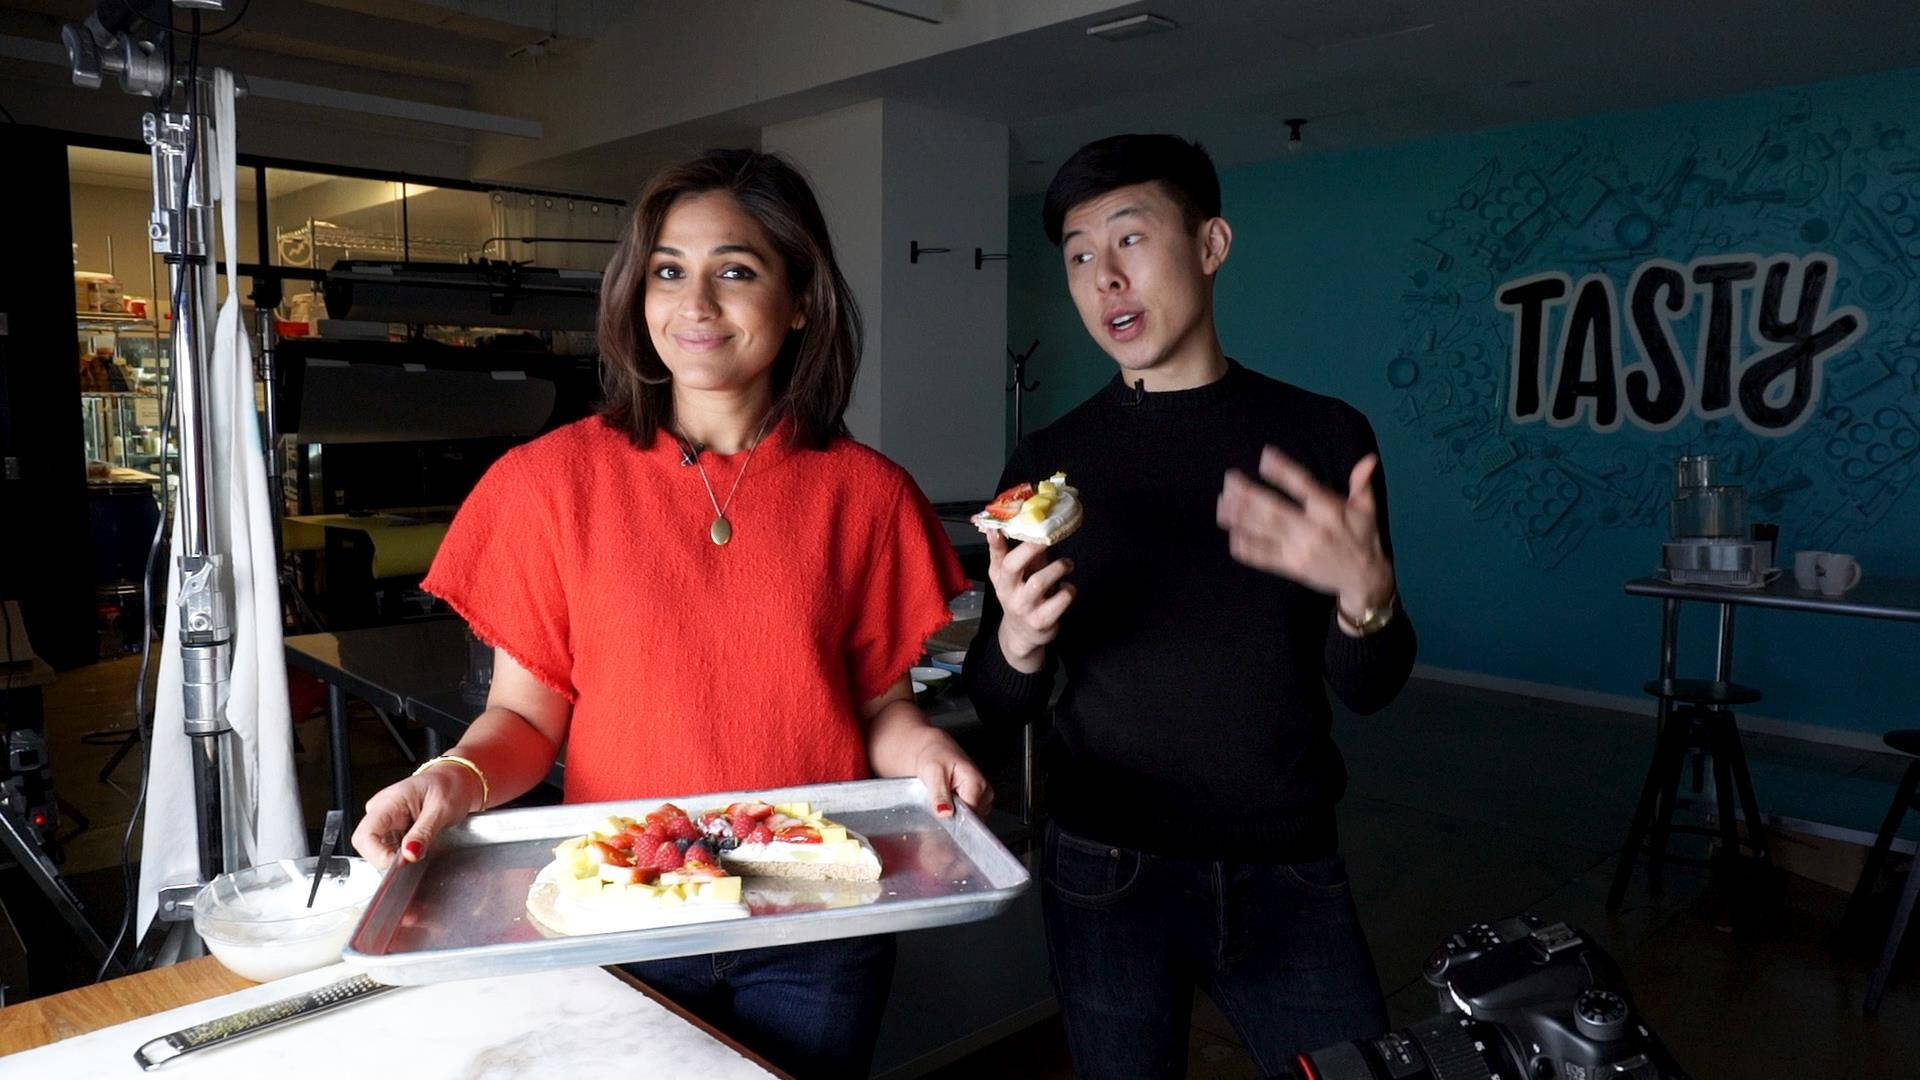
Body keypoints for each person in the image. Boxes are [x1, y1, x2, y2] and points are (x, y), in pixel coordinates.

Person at [352, 148, 991, 1080]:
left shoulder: (868, 495)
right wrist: (449, 779)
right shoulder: (548, 485)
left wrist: (929, 755)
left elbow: (879, 708)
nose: (695, 305)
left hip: (819, 922)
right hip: (619, 910)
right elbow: (528, 719)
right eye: (668, 271)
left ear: (801, 297)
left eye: (735, 270)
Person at [963, 133, 1415, 1078]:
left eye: (1131, 241)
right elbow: (1001, 702)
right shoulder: (1049, 465)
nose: (1104, 280)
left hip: (1287, 863)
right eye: (1081, 256)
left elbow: (1370, 689)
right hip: (1102, 867)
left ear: (1211, 245)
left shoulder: (1320, 435)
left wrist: (1366, 603)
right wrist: (1016, 639)